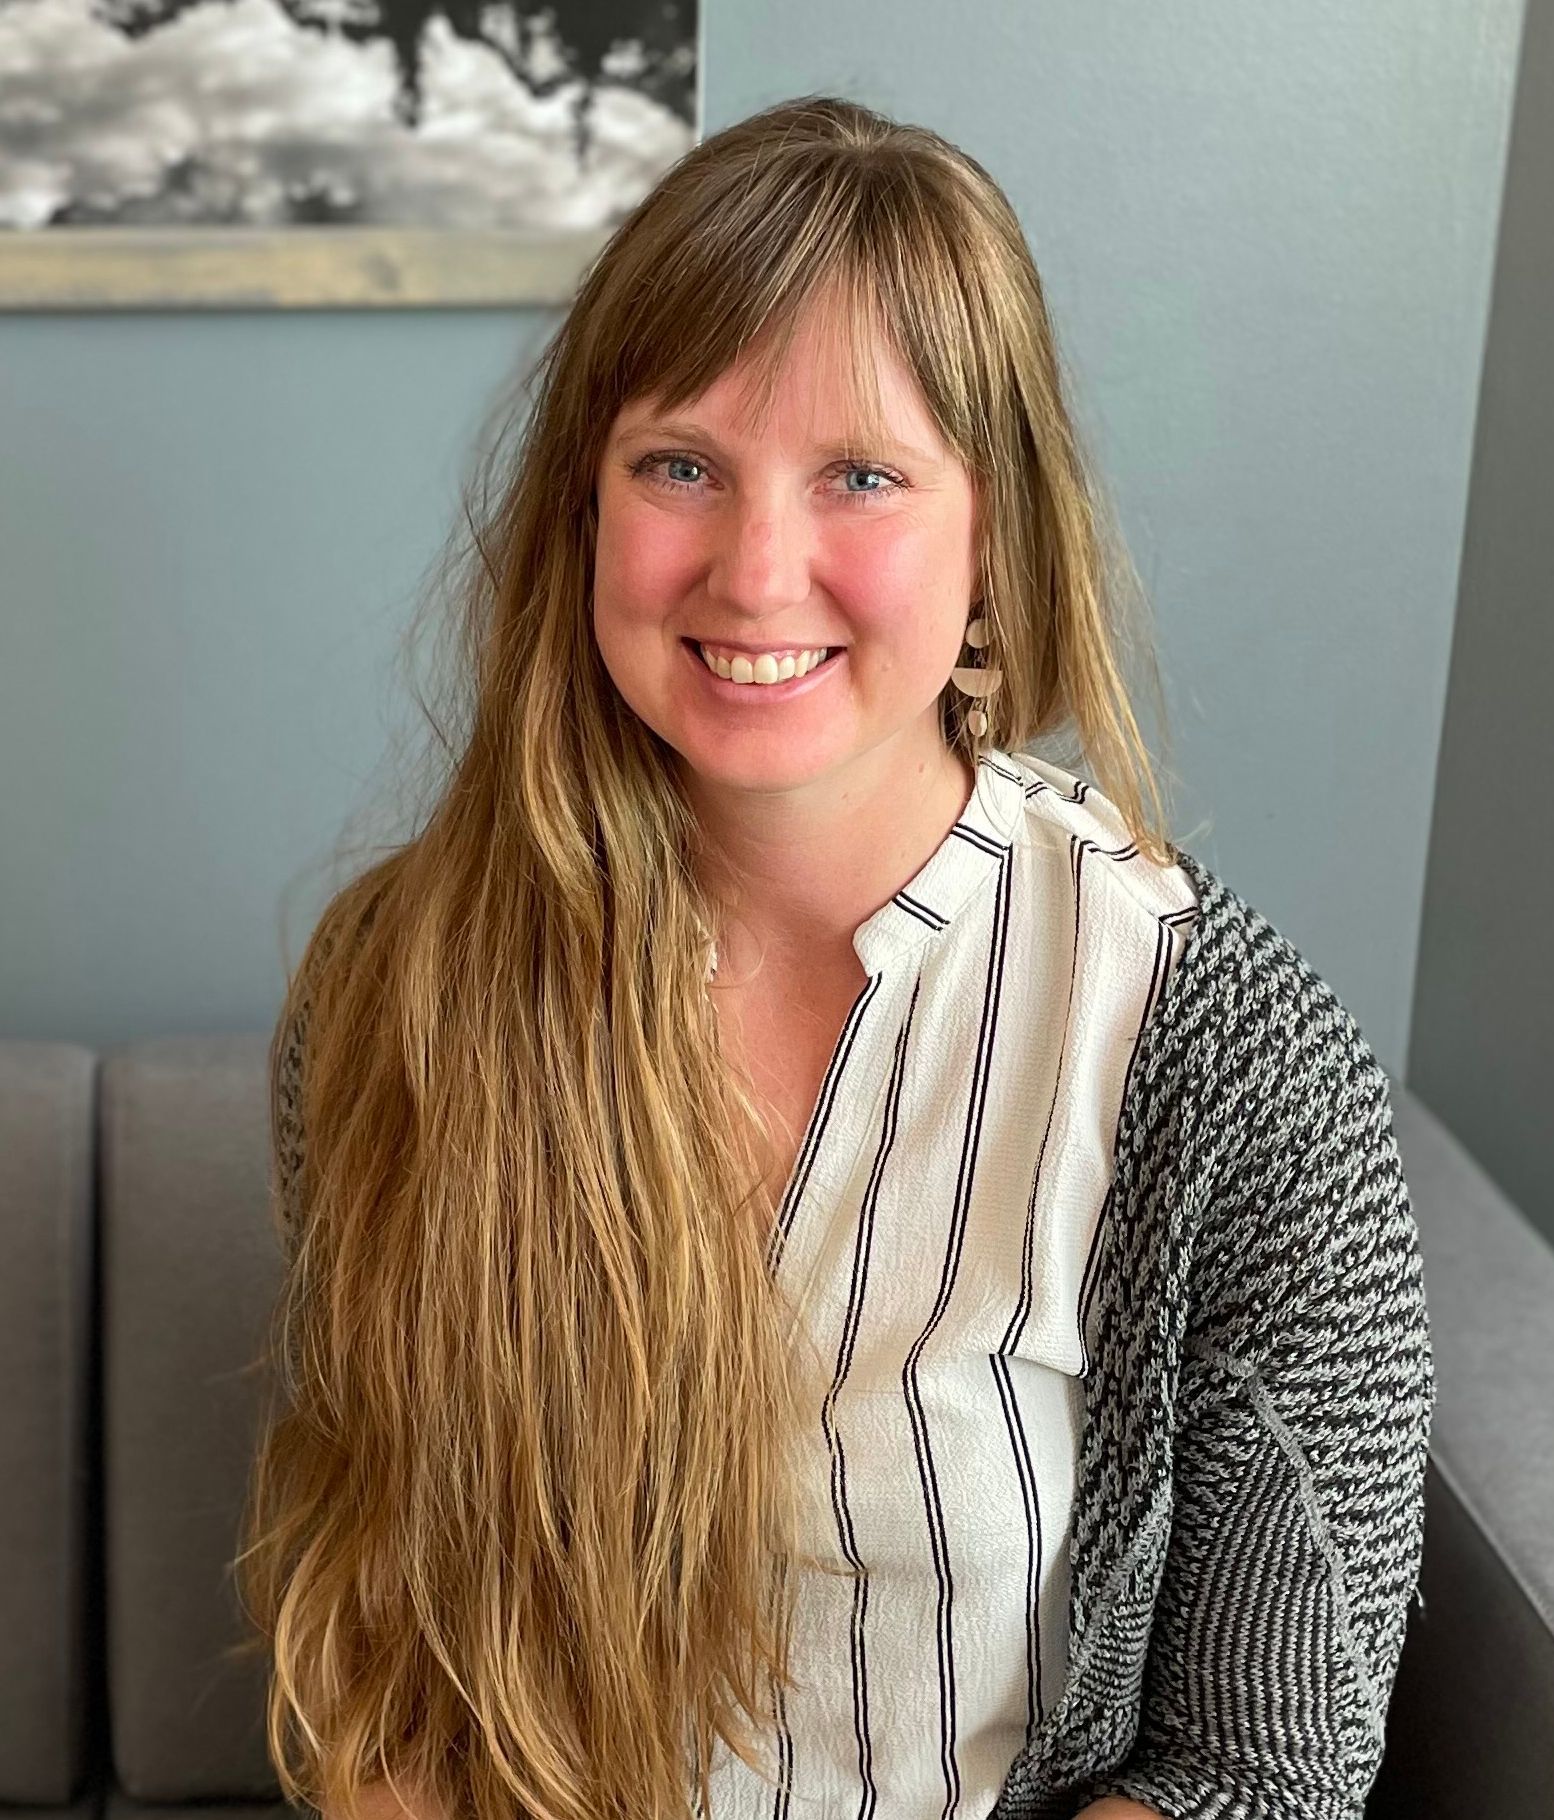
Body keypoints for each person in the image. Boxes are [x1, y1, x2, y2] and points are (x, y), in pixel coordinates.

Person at [236, 94, 1433, 1820]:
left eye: (860, 475)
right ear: (586, 508)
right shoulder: (396, 989)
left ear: (995, 536)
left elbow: (1265, 1772)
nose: (755, 567)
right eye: (679, 465)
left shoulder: (1234, 1060)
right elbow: (393, 1680)